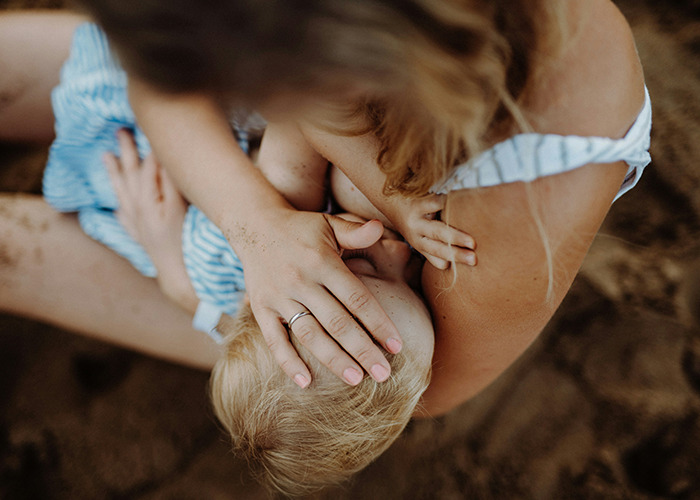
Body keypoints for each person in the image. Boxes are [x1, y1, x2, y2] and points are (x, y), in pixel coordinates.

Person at [0, 0, 652, 418]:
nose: (390, 248)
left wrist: (211, 295)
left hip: (137, 155)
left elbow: (424, 389)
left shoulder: (526, 194)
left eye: (369, 268)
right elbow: (156, 75)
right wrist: (254, 227)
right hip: (163, 136)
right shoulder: (286, 90)